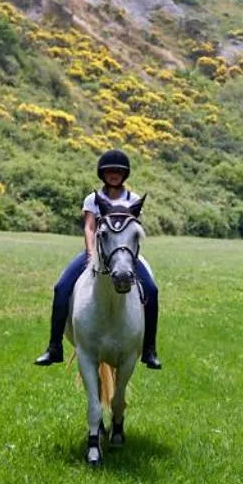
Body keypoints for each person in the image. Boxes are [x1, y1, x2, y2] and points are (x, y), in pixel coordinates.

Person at [34, 149, 161, 369]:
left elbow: (133, 230)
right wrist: (91, 254)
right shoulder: (93, 199)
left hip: (126, 257)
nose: (114, 175)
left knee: (152, 290)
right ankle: (54, 347)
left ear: (125, 174)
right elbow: (89, 227)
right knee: (61, 288)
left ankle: (149, 349)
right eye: (109, 171)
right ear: (102, 174)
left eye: (118, 171)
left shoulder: (133, 199)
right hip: (96, 254)